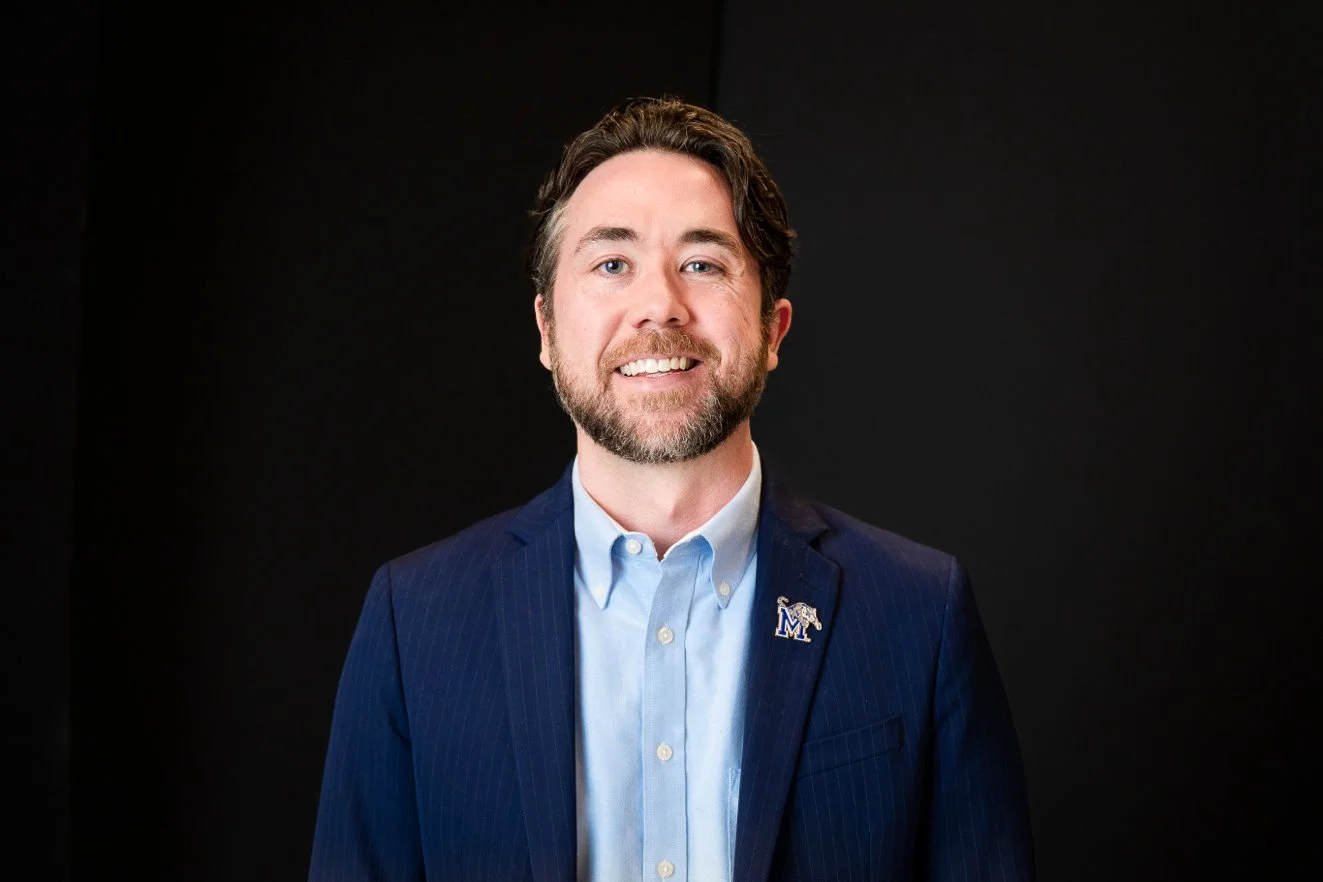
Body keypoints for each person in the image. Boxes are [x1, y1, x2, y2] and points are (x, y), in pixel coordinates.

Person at [309, 97, 1035, 882]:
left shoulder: (918, 613)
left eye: (702, 264)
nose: (658, 305)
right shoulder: (414, 620)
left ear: (773, 329)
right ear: (547, 330)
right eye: (611, 264)